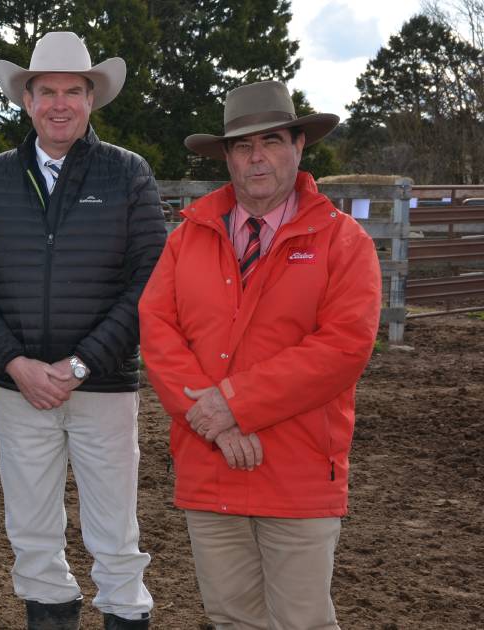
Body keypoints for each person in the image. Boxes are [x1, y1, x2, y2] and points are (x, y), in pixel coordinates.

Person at [138, 80, 382, 630]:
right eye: (243, 146)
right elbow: (157, 328)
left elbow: (343, 347)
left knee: (301, 620)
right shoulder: (188, 237)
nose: (257, 157)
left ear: (299, 146)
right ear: (226, 157)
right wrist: (216, 421)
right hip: (208, 460)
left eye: (271, 141)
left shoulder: (342, 241)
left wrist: (234, 404)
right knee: (230, 618)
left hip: (295, 468)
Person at [0, 31, 165, 630]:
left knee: (116, 535)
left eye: (72, 91)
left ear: (90, 98)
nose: (59, 103)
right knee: (31, 534)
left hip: (102, 389)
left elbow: (149, 282)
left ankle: (125, 615)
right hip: (18, 388)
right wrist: (14, 362)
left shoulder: (129, 174)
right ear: (26, 99)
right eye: (46, 90)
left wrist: (82, 364)